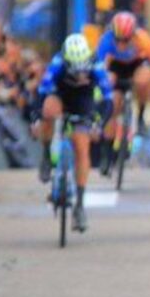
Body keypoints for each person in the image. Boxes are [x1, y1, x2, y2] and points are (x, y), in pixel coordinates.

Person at [36, 34, 113, 232]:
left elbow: (108, 100)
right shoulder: (57, 63)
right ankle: (46, 154)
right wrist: (37, 119)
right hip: (60, 93)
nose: (80, 75)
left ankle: (79, 204)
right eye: (75, 71)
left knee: (81, 145)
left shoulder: (96, 65)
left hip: (83, 100)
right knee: (49, 110)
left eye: (82, 71)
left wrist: (99, 124)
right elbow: (41, 93)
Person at [94, 11, 150, 175]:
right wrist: (105, 85)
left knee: (143, 80)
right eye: (118, 40)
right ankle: (106, 153)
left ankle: (140, 113)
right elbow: (99, 67)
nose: (121, 44)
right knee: (112, 103)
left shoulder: (143, 39)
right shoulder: (106, 40)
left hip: (137, 65)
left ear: (133, 35)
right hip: (116, 69)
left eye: (126, 40)